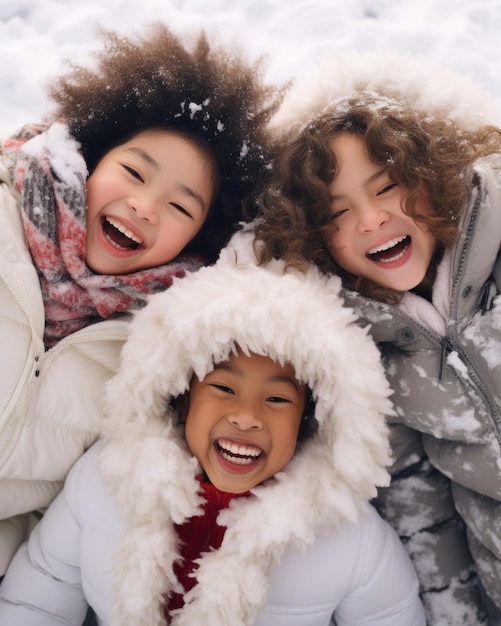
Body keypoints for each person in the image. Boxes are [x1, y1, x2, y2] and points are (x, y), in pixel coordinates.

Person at [0, 231, 425, 625]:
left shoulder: (348, 537)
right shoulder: (106, 477)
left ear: (310, 421)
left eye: (277, 399)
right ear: (182, 395)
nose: (246, 416)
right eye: (223, 387)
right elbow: (44, 587)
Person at [0, 22, 283, 576]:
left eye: (181, 207)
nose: (146, 205)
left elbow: (63, 506)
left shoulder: (152, 346)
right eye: (132, 172)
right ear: (91, 158)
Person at [251, 50, 501, 625]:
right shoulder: (369, 351)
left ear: (434, 176)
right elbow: (422, 511)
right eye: (338, 214)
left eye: (387, 187)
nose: (370, 219)